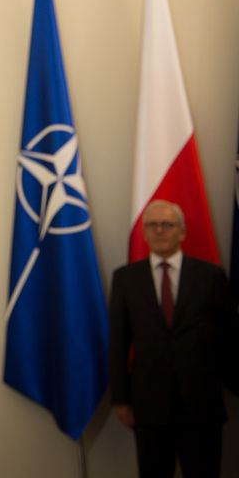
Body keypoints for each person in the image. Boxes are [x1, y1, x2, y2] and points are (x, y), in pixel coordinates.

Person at [108, 199, 239, 478]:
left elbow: (229, 338)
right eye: (152, 225)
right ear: (144, 233)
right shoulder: (125, 279)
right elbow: (118, 342)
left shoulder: (211, 276)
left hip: (202, 403)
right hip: (148, 405)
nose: (159, 230)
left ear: (182, 232)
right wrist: (120, 399)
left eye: (167, 224)